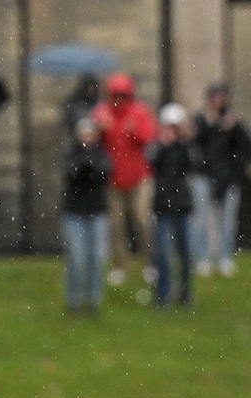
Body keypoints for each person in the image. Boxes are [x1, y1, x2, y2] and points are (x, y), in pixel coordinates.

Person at [91, 73, 156, 287]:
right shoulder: (102, 114)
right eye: (115, 96)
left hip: (140, 177)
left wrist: (134, 130)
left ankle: (150, 263)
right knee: (116, 225)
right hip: (113, 179)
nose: (119, 100)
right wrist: (99, 130)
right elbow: (87, 140)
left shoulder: (140, 113)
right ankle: (120, 266)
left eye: (123, 96)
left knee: (142, 220)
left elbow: (150, 138)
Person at [191, 83, 251, 278]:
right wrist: (209, 126)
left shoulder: (234, 123)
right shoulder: (201, 120)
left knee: (228, 221)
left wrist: (234, 127)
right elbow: (194, 145)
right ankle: (202, 258)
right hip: (204, 176)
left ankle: (225, 257)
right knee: (201, 220)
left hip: (229, 178)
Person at [61, 117, 113, 312]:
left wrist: (90, 165)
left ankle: (93, 300)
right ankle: (73, 300)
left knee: (96, 257)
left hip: (97, 211)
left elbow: (105, 172)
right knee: (77, 257)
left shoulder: (101, 153)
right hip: (74, 212)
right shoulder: (71, 153)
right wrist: (84, 164)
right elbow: (71, 173)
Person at [147, 104, 197, 308]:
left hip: (182, 206)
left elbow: (195, 162)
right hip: (163, 206)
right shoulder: (158, 147)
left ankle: (185, 293)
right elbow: (151, 160)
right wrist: (163, 144)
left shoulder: (185, 148)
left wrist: (185, 141)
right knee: (163, 254)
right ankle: (163, 294)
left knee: (185, 254)